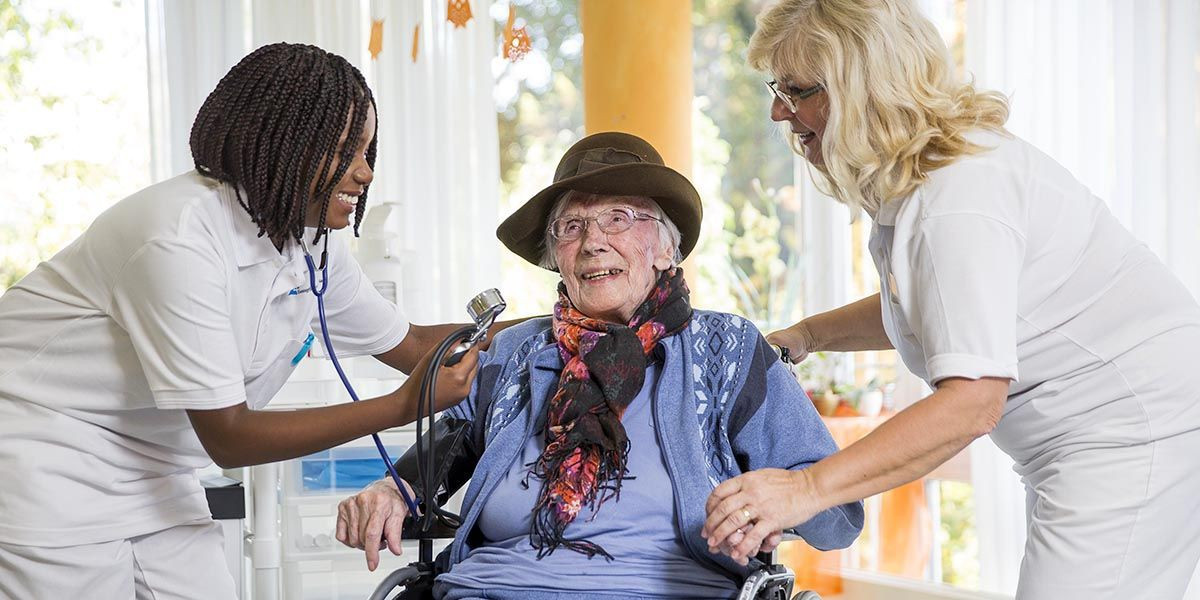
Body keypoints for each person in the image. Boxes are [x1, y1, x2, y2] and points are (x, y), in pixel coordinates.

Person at [702, 1, 1200, 598]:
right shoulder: (925, 181)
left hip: (1134, 432)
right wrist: (807, 335)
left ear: (865, 87)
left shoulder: (957, 201)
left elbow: (971, 404)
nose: (778, 110)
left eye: (797, 90)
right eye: (775, 89)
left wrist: (804, 490)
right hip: (1104, 434)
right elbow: (932, 305)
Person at [0, 43, 511, 598]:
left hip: (155, 464)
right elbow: (231, 435)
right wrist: (400, 406)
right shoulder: (178, 238)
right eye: (346, 151)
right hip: (47, 450)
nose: (365, 173)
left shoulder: (308, 240)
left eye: (368, 152)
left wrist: (555, 320)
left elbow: (411, 344)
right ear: (283, 143)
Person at [335, 132, 864, 600]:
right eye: (572, 226)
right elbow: (447, 442)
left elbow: (838, 517)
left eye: (618, 218)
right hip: (493, 588)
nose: (592, 242)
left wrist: (785, 501)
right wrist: (390, 489)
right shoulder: (514, 351)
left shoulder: (727, 349)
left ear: (664, 248)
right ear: (556, 258)